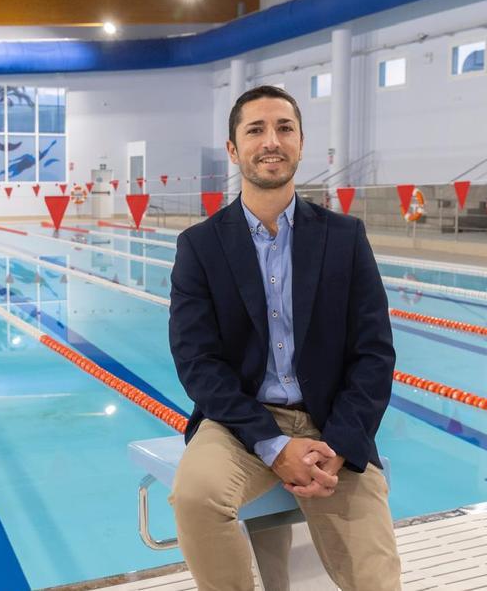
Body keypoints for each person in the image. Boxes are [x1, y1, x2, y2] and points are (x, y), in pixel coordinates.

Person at [168, 85, 400, 591]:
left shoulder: (344, 238)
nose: (271, 141)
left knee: (377, 579)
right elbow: (197, 362)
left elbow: (374, 353)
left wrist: (339, 443)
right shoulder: (200, 246)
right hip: (239, 422)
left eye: (284, 128)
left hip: (331, 420)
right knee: (195, 496)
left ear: (300, 142)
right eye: (255, 130)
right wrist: (272, 444)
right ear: (233, 149)